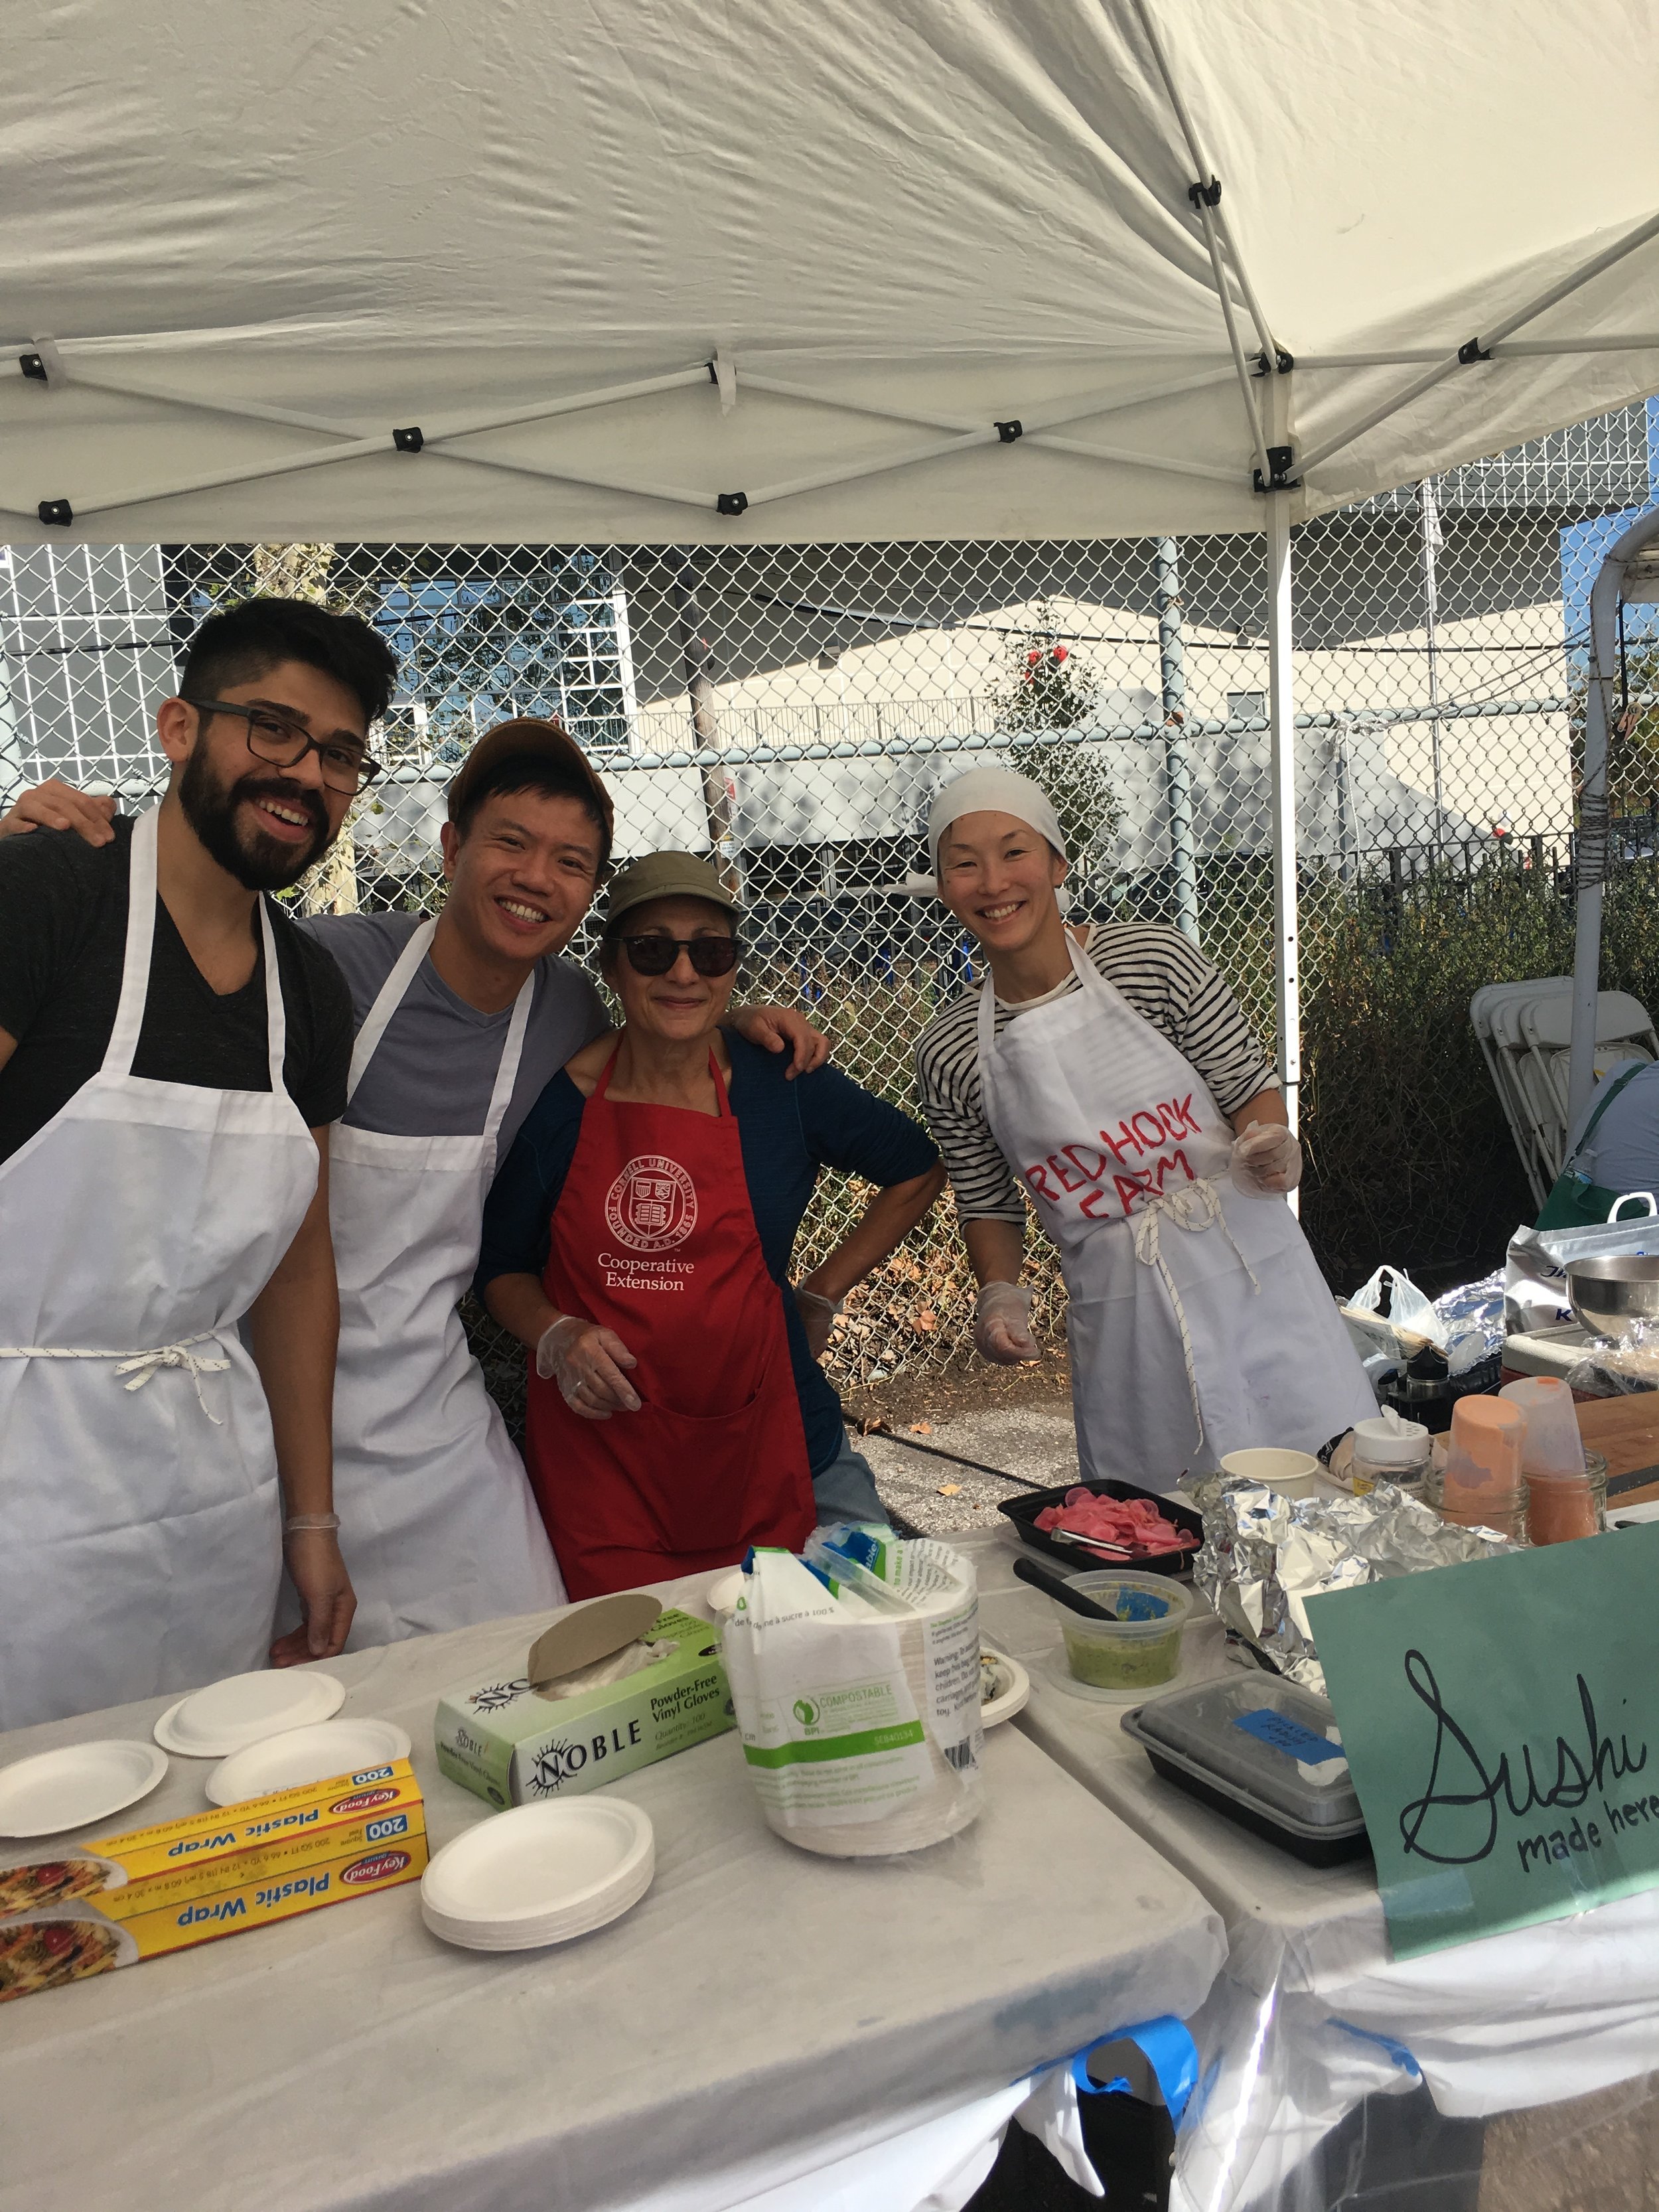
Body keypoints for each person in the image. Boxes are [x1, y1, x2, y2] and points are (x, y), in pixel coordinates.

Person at [5, 638, 829, 1650]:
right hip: (250, 1411)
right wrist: (62, 845)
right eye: (509, 844)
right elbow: (190, 921)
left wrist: (739, 1018)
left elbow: (668, 1018)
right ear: (449, 850)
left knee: (545, 1662)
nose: (535, 879)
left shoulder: (566, 1011)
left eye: (570, 863)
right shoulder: (327, 974)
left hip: (431, 1421)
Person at [0, 601, 379, 1728]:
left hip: (213, 1497)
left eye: (340, 753)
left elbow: (299, 1269)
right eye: (272, 728)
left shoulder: (307, 987)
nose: (305, 772)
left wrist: (310, 1523)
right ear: (178, 728)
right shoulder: (44, 895)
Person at [476, 851, 945, 1597]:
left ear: (733, 967)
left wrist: (821, 1292)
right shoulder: (561, 1106)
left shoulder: (781, 1082)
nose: (684, 973)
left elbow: (918, 1168)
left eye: (711, 951)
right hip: (608, 1477)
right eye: (653, 949)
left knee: (873, 1649)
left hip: (781, 1443)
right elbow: (501, 1266)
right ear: (612, 965)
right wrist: (556, 1336)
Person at [912, 767, 1375, 1493]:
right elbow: (987, 1201)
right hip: (1124, 1319)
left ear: (1058, 865)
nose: (992, 882)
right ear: (944, 888)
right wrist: (998, 1292)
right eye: (963, 864)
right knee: (1160, 1518)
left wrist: (1268, 1146)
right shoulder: (948, 1050)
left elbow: (1249, 1091)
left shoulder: (1151, 961)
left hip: (1256, 1279)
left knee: (1331, 1481)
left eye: (1013, 852)